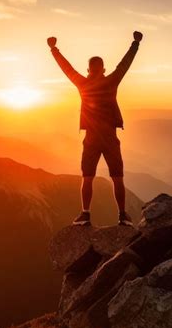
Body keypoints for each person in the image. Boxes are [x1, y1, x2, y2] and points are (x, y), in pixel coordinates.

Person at [47, 31, 143, 227]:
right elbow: (124, 65)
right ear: (103, 69)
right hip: (110, 137)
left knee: (87, 177)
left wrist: (54, 49)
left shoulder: (83, 84)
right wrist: (135, 43)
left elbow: (67, 68)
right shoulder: (111, 81)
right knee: (117, 177)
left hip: (91, 138)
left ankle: (85, 214)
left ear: (89, 69)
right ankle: (123, 216)